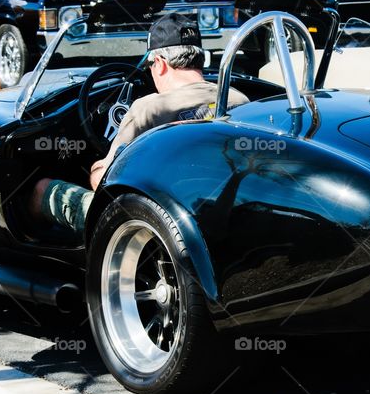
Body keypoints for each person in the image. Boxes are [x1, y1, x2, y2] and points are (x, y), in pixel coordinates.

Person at [29, 13, 249, 233]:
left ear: (161, 64)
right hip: (226, 214)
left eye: (150, 65)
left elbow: (106, 183)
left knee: (42, 188)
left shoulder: (149, 109)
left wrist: (96, 166)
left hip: (156, 226)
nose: (151, 72)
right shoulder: (239, 99)